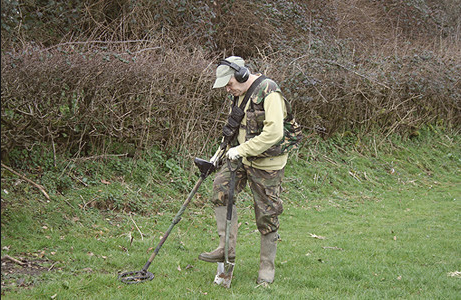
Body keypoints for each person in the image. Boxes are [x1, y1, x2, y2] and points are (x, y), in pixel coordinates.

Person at [198, 56, 289, 286]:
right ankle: (225, 249)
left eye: (229, 84)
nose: (228, 90)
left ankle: (266, 269)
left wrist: (241, 150)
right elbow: (234, 126)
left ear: (242, 75)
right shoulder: (238, 96)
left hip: (267, 164)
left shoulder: (270, 92)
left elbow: (274, 133)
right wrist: (218, 154)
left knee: (267, 215)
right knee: (220, 189)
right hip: (241, 159)